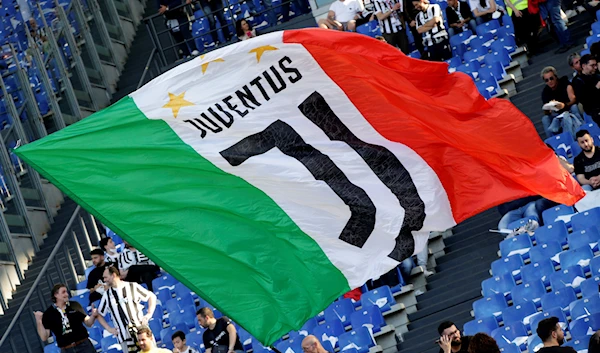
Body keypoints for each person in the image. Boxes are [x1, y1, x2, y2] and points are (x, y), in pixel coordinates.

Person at [97, 266, 158, 353]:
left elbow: (151, 296)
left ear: (113, 275)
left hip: (141, 332)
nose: (104, 280)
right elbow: (98, 314)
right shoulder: (107, 295)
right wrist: (109, 329)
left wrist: (149, 314)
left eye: (105, 277)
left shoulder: (132, 286)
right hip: (124, 337)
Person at [34, 284, 98, 353]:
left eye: (66, 292)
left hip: (84, 345)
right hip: (67, 349)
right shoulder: (49, 314)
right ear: (56, 295)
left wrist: (93, 316)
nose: (67, 294)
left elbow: (88, 323)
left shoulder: (74, 305)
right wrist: (39, 321)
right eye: (63, 292)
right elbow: (44, 337)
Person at [540, 66, 583, 139]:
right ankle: (552, 142)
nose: (550, 81)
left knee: (575, 107)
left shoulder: (564, 82)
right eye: (547, 80)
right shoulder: (545, 92)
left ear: (555, 77)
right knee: (545, 119)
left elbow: (573, 99)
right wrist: (548, 109)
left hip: (569, 109)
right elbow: (546, 112)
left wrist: (564, 105)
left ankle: (581, 129)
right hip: (556, 115)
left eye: (551, 78)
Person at [572, 55, 600, 124]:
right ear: (584, 66)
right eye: (592, 65)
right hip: (594, 111)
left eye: (596, 65)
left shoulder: (597, 76)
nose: (595, 67)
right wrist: (596, 88)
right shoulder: (578, 81)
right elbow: (585, 100)